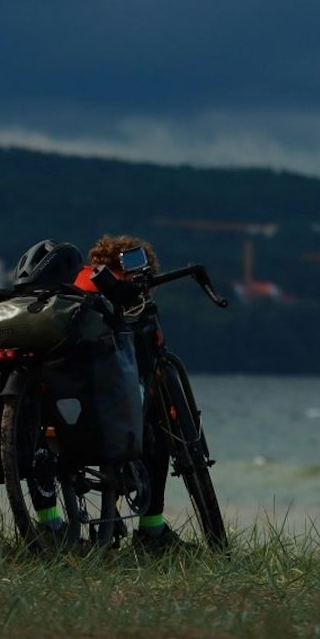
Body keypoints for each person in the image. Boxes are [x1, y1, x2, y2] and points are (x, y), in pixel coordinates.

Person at [74, 233, 191, 552]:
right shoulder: (119, 304)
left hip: (64, 419)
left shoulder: (73, 294)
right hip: (107, 423)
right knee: (159, 425)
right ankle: (151, 531)